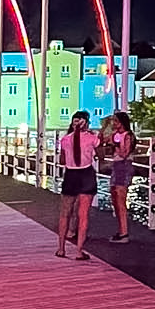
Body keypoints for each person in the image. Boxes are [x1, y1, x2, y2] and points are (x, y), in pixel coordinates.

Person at [56, 110, 98, 260]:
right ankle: (79, 250)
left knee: (65, 213)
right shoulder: (92, 138)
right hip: (86, 174)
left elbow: (62, 161)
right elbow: (101, 155)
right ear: (86, 123)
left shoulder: (65, 140)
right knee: (83, 214)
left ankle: (61, 248)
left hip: (71, 174)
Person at [105, 110, 136, 241]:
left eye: (116, 121)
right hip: (116, 166)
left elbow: (124, 153)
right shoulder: (115, 135)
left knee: (120, 198)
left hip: (124, 165)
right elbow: (102, 140)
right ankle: (120, 230)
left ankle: (124, 232)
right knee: (115, 198)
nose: (114, 123)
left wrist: (115, 145)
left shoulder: (128, 136)